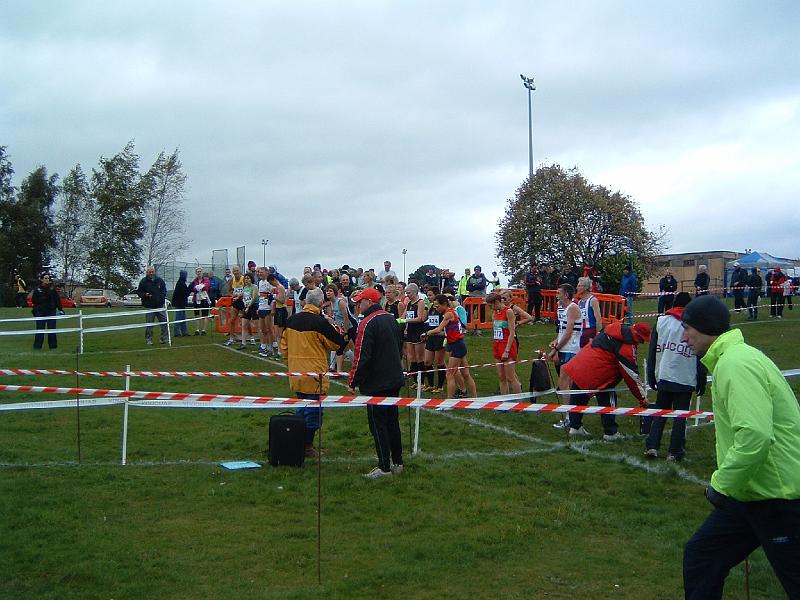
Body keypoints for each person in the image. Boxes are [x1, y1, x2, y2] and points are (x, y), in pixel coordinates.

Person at [679, 294, 800, 599]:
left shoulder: (736, 363)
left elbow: (755, 435)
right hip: (749, 492)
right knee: (702, 557)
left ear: (705, 328)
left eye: (687, 328)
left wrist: (721, 485)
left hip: (778, 496)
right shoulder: (732, 358)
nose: (684, 336)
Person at [347, 287, 405, 479]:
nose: (357, 305)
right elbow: (399, 346)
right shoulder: (390, 318)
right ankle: (398, 462)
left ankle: (384, 467)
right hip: (394, 377)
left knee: (378, 424)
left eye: (359, 302)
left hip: (377, 383)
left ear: (369, 303)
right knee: (392, 422)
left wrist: (353, 380)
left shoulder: (366, 322)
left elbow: (361, 355)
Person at [281, 287, 346, 459]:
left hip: (295, 372)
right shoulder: (320, 322)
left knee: (301, 409)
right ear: (320, 303)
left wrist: (290, 362)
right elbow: (337, 344)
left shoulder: (291, 320)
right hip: (314, 375)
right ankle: (306, 445)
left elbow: (283, 347)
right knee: (313, 413)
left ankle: (297, 442)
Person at [561, 321, 651, 440]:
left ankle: (575, 427)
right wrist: (642, 398)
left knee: (578, 394)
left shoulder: (615, 326)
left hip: (581, 362)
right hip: (599, 373)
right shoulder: (626, 348)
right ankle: (610, 433)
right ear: (638, 336)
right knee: (608, 397)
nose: (642, 343)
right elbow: (631, 376)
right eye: (642, 340)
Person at [645, 292, 706, 461]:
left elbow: (652, 351)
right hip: (685, 376)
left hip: (664, 373)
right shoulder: (695, 326)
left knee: (660, 412)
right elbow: (701, 355)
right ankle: (675, 450)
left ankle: (652, 445)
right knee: (681, 416)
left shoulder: (662, 321)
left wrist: (651, 375)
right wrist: (701, 380)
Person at [423, 293, 477, 399]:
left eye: (437, 306)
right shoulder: (449, 313)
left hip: (457, 345)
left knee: (450, 374)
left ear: (444, 304)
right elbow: (445, 332)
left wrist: (426, 333)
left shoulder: (448, 314)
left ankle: (449, 401)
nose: (436, 309)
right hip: (454, 344)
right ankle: (475, 398)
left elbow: (439, 329)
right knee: (465, 373)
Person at [548, 284, 583, 429]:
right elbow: (562, 331)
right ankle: (572, 415)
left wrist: (555, 349)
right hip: (563, 347)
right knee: (565, 383)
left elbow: (569, 333)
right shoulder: (561, 308)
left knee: (564, 382)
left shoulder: (573, 308)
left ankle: (570, 416)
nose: (556, 295)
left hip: (572, 348)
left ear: (567, 295)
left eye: (559, 293)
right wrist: (556, 343)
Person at [486, 292, 522, 395]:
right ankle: (504, 402)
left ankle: (519, 402)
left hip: (507, 344)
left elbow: (512, 332)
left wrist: (507, 350)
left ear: (497, 302)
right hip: (497, 343)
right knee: (501, 377)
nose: (490, 308)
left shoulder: (509, 312)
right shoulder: (496, 313)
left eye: (491, 305)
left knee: (511, 377)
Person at [402, 283, 428, 389]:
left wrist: (406, 320)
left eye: (409, 293)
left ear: (415, 292)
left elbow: (420, 318)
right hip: (410, 331)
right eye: (406, 293)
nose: (407, 295)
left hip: (418, 330)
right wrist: (401, 320)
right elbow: (404, 314)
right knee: (411, 356)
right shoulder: (408, 302)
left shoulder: (420, 302)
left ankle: (421, 381)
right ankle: (414, 380)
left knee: (419, 357)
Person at [137, 265, 168, 345]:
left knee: (164, 322)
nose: (151, 273)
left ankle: (164, 338)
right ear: (147, 272)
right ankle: (148, 339)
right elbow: (139, 292)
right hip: (149, 306)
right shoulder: (143, 281)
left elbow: (164, 290)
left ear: (154, 272)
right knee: (149, 324)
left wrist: (162, 297)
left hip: (160, 305)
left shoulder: (160, 280)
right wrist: (145, 295)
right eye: (149, 272)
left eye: (152, 272)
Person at [31, 273, 62, 350]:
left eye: (48, 278)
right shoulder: (37, 290)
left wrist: (60, 309)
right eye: (45, 278)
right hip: (40, 312)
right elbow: (34, 300)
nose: (47, 280)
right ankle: (37, 346)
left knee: (52, 329)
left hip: (51, 311)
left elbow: (57, 300)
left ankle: (53, 346)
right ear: (41, 279)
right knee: (39, 330)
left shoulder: (52, 290)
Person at [576, 276, 603, 347]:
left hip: (590, 330)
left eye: (579, 286)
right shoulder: (579, 302)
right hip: (581, 330)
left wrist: (598, 333)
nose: (577, 288)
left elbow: (598, 318)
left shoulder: (592, 300)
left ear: (585, 287)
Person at [223, 266, 246, 346]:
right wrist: (232, 295)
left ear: (240, 271)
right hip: (235, 301)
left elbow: (247, 289)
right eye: (234, 271)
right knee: (232, 320)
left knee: (245, 320)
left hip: (244, 301)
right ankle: (231, 338)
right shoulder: (231, 280)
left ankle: (251, 337)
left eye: (237, 271)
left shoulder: (244, 279)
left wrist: (240, 295)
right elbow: (228, 290)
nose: (236, 272)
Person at [269, 273, 288, 357]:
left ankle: (282, 350)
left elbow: (282, 300)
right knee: (276, 331)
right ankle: (279, 350)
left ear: (273, 280)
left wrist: (273, 297)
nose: (271, 284)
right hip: (277, 309)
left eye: (270, 282)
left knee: (280, 332)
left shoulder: (280, 287)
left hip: (282, 310)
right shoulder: (275, 288)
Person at [190, 267, 211, 335]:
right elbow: (193, 288)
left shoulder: (206, 279)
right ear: (196, 273)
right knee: (196, 315)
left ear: (202, 272)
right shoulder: (194, 280)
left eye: (200, 271)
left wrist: (199, 287)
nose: (199, 273)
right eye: (197, 272)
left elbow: (206, 287)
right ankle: (197, 330)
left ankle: (203, 330)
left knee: (204, 315)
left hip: (204, 299)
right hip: (196, 299)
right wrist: (199, 287)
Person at [171, 270, 190, 337]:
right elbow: (186, 293)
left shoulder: (180, 283)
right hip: (179, 304)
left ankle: (184, 332)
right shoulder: (181, 283)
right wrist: (190, 287)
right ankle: (176, 332)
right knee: (178, 318)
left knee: (182, 318)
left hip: (181, 304)